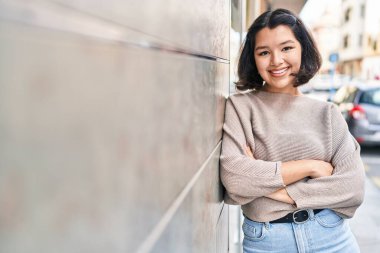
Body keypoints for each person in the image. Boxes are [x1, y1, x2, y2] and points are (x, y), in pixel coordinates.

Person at [220, 8, 365, 253]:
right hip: (267, 241)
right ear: (253, 59)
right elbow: (235, 178)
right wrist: (309, 166)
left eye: (287, 48)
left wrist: (272, 189)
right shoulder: (240, 107)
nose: (276, 61)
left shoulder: (327, 113)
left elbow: (352, 188)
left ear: (302, 49)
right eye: (264, 52)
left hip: (332, 237)